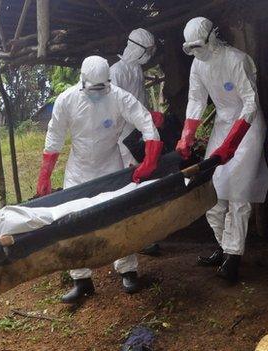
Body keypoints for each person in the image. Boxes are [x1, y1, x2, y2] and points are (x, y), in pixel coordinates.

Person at [36, 55, 163, 303]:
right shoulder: (67, 100)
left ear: (109, 82)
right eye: (92, 88)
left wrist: (150, 160)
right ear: (82, 81)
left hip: (110, 165)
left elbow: (146, 122)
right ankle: (81, 279)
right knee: (72, 222)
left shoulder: (119, 97)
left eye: (101, 88)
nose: (97, 93)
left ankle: (128, 270)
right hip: (78, 170)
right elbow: (54, 136)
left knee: (119, 217)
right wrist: (45, 175)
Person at [175, 17, 268, 282]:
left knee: (238, 193)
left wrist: (233, 142)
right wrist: (187, 135)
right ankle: (223, 246)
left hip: (247, 125)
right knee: (212, 191)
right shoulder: (198, 64)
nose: (196, 52)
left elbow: (251, 102)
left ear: (212, 37)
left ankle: (234, 256)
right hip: (222, 122)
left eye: (199, 46)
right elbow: (196, 99)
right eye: (191, 48)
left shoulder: (237, 59)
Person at [110, 28, 164, 257]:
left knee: (142, 185)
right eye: (147, 50)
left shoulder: (136, 70)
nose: (149, 55)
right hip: (121, 140)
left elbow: (138, 102)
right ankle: (132, 239)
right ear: (135, 47)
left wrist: (148, 116)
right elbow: (114, 109)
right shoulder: (116, 71)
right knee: (128, 188)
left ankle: (145, 235)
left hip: (137, 136)